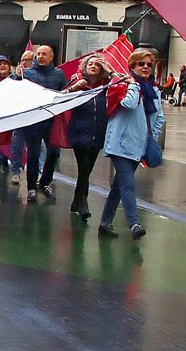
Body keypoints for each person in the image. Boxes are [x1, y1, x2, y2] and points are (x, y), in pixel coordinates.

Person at [98, 48, 164, 240]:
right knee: (128, 184)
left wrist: (150, 138)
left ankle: (104, 223)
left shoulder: (155, 92)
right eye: (141, 64)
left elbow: (158, 118)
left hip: (139, 146)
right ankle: (134, 224)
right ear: (132, 66)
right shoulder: (122, 85)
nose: (145, 67)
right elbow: (128, 104)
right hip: (120, 144)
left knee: (118, 186)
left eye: (149, 65)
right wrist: (135, 85)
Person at [10, 45, 66, 201]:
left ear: (51, 57)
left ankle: (45, 182)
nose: (40, 56)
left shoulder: (59, 74)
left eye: (44, 54)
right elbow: (15, 89)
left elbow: (64, 92)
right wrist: (16, 76)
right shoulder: (27, 73)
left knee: (54, 153)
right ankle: (31, 188)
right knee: (33, 155)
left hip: (51, 121)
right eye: (38, 54)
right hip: (33, 121)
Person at [63, 54, 113, 219]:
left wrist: (111, 73)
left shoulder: (106, 86)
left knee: (87, 169)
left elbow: (122, 82)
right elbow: (61, 97)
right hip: (79, 131)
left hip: (98, 132)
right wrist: (74, 88)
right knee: (84, 167)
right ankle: (83, 202)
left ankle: (76, 201)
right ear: (84, 66)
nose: (92, 66)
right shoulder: (77, 81)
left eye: (97, 65)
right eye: (90, 64)